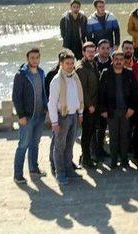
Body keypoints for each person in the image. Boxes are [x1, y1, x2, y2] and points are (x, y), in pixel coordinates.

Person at [47, 49, 84, 186]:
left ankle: (69, 169)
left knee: (70, 145)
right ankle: (60, 172)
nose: (70, 65)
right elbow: (51, 103)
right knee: (59, 146)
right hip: (62, 117)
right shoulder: (56, 81)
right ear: (61, 64)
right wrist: (54, 122)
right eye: (67, 63)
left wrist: (80, 113)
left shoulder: (75, 77)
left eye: (72, 63)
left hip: (74, 115)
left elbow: (79, 96)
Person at [99, 49, 138, 168]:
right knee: (113, 137)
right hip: (111, 111)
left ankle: (124, 160)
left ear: (124, 61)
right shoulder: (106, 73)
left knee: (125, 137)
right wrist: (102, 110)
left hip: (126, 111)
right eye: (116, 59)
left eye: (121, 59)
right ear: (112, 60)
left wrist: (132, 108)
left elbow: (135, 93)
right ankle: (113, 160)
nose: (118, 62)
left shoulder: (129, 73)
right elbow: (101, 93)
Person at [12, 48, 47, 184]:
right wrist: (21, 115)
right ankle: (18, 174)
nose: (35, 60)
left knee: (35, 143)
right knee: (23, 144)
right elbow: (16, 97)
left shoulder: (41, 72)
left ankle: (33, 168)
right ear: (27, 59)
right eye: (32, 58)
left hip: (39, 115)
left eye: (37, 57)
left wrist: (46, 107)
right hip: (27, 116)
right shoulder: (21, 75)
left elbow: (43, 92)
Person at [75, 42, 99, 168]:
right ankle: (86, 160)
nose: (91, 53)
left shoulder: (92, 63)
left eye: (93, 51)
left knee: (90, 133)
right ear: (83, 52)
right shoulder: (81, 68)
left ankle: (86, 156)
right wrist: (89, 105)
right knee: (86, 134)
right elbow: (82, 89)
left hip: (94, 105)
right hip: (87, 107)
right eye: (88, 51)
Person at [93, 39, 111, 160]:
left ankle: (101, 149)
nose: (105, 50)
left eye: (107, 48)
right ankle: (93, 151)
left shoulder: (112, 61)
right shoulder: (92, 62)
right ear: (98, 49)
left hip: (107, 99)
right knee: (95, 127)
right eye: (103, 48)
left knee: (103, 126)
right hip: (94, 98)